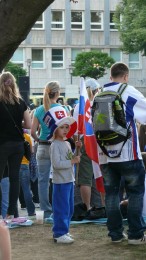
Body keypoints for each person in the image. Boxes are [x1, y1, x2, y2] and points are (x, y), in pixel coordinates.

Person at [100, 62, 146, 245]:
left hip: (105, 154)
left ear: (111, 77)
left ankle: (115, 234)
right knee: (135, 193)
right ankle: (135, 235)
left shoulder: (99, 94)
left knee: (111, 194)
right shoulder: (128, 90)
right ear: (126, 76)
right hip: (127, 153)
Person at [43, 106, 80, 243]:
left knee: (69, 209)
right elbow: (57, 164)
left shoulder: (68, 144)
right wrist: (72, 161)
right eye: (62, 127)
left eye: (67, 127)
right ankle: (59, 233)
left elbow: (71, 159)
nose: (66, 130)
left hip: (69, 180)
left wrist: (78, 150)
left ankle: (65, 231)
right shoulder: (54, 145)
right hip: (60, 182)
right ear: (55, 129)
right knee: (61, 209)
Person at [0, 72, 31, 218]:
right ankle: (11, 213)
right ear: (13, 83)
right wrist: (18, 124)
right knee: (14, 177)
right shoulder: (21, 102)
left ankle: (2, 210)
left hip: (2, 144)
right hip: (18, 144)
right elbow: (29, 125)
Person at [31, 81, 62, 219]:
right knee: (59, 179)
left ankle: (45, 211)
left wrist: (39, 140)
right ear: (57, 93)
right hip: (56, 145)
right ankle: (58, 208)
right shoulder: (61, 109)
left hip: (43, 146)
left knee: (42, 181)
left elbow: (32, 131)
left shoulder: (38, 110)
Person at [73, 78, 103, 214]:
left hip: (84, 141)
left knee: (85, 177)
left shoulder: (78, 106)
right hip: (98, 141)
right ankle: (101, 206)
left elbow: (73, 130)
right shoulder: (100, 105)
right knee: (99, 174)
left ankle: (88, 206)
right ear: (96, 90)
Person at [19, 130, 36, 217]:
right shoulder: (27, 137)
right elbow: (31, 151)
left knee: (12, 190)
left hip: (12, 166)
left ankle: (13, 213)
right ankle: (31, 211)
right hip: (25, 165)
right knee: (26, 190)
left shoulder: (11, 136)